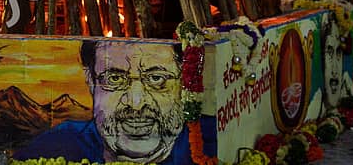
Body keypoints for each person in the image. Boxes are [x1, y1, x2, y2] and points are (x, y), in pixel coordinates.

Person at [13, 39, 216, 164]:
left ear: (183, 82)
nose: (136, 103)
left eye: (156, 79)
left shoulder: (213, 141)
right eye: (115, 79)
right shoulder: (56, 147)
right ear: (91, 82)